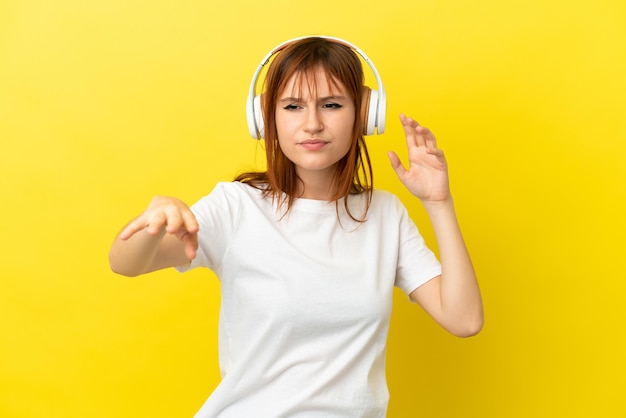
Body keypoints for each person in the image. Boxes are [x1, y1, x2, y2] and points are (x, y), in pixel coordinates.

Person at [109, 36, 483, 418]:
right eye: (292, 106)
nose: (312, 124)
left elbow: (464, 319)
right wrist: (154, 222)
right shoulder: (237, 207)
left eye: (332, 105)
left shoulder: (385, 214)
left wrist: (439, 203)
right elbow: (125, 263)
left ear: (365, 114)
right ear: (266, 117)